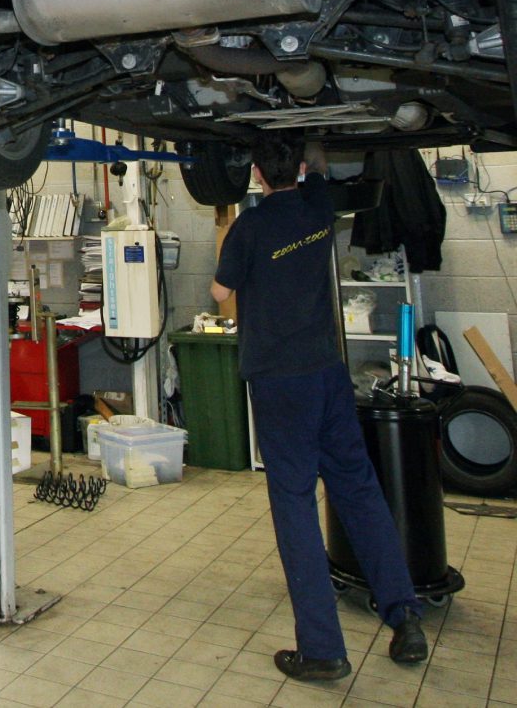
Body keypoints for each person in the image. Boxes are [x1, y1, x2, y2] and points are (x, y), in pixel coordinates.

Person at [210, 133, 428, 681]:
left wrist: (230, 234)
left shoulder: (250, 227)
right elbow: (322, 167)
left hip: (280, 384)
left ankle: (324, 649)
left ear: (257, 174)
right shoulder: (318, 206)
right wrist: (310, 132)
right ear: (302, 169)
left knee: (295, 507)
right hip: (328, 373)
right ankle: (404, 617)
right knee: (358, 490)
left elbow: (218, 294)